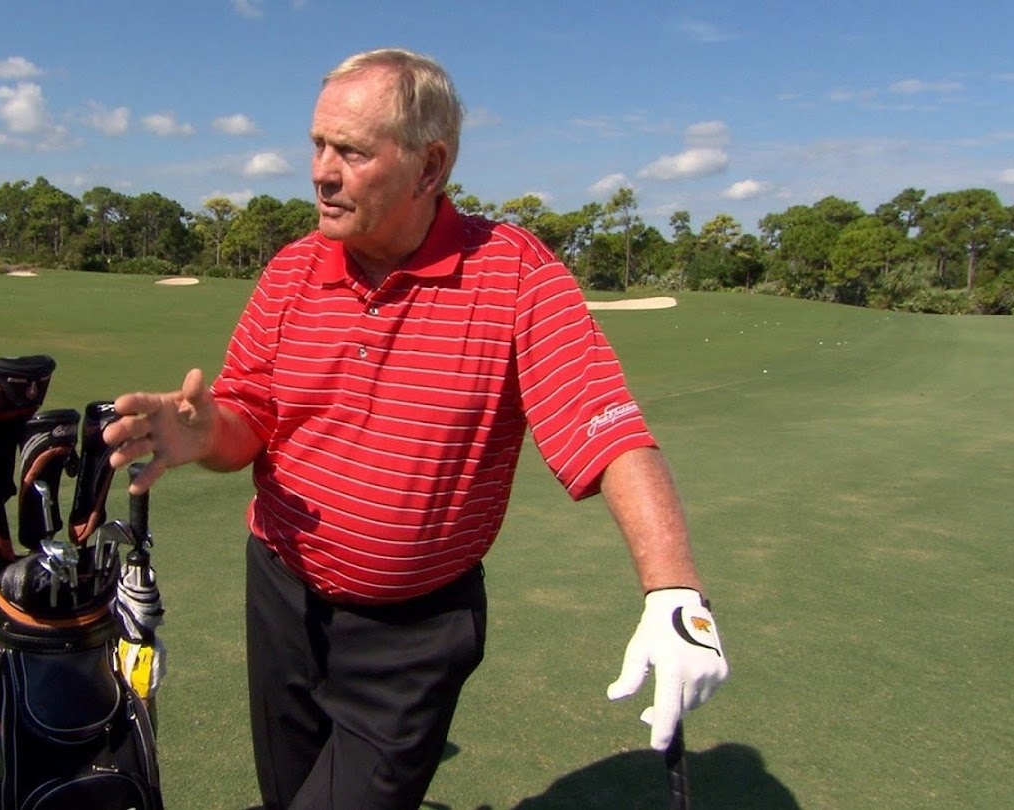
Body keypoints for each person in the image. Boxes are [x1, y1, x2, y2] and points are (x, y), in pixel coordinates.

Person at [103, 47, 729, 809]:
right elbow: (250, 419)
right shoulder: (293, 271)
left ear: (430, 168)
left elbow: (610, 432)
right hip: (283, 598)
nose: (321, 172)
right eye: (317, 144)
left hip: (414, 636)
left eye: (352, 152)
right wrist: (203, 433)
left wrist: (674, 593)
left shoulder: (515, 276)